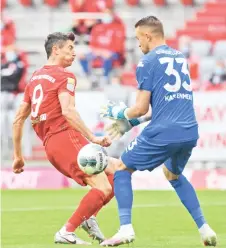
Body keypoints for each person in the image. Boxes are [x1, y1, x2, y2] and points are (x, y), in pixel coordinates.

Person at [100, 16, 217, 247]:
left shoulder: (147, 62)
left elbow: (140, 107)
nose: (138, 45)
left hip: (164, 132)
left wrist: (121, 113)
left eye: (138, 39)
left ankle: (125, 229)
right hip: (189, 130)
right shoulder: (179, 57)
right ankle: (205, 229)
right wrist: (133, 124)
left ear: (147, 36)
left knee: (122, 168)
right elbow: (167, 105)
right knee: (173, 175)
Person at [12, 32, 120, 245]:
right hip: (65, 137)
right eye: (70, 48)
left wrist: (18, 156)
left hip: (52, 145)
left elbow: (18, 120)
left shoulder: (34, 78)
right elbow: (68, 111)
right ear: (56, 50)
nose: (74, 52)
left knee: (117, 171)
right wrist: (93, 138)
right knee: (103, 187)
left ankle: (89, 218)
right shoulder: (65, 76)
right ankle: (66, 231)